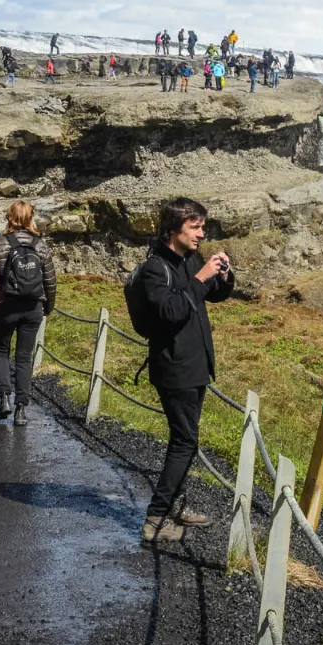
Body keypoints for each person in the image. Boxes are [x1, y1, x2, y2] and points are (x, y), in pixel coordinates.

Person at [126, 197, 233, 543]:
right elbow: (171, 311)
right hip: (174, 368)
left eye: (203, 226)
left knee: (183, 440)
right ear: (174, 230)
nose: (202, 233)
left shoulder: (190, 260)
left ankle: (177, 507)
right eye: (195, 227)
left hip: (194, 365)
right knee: (185, 443)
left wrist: (222, 276)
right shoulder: (157, 268)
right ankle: (155, 520)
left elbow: (211, 296)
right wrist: (201, 278)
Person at [0, 201, 56, 425]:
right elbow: (50, 281)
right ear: (30, 217)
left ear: (9, 217)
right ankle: (21, 409)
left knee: (1, 351)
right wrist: (48, 307)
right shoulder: (41, 245)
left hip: (4, 305)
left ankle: (4, 396)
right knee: (24, 357)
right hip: (32, 306)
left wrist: (5, 284)